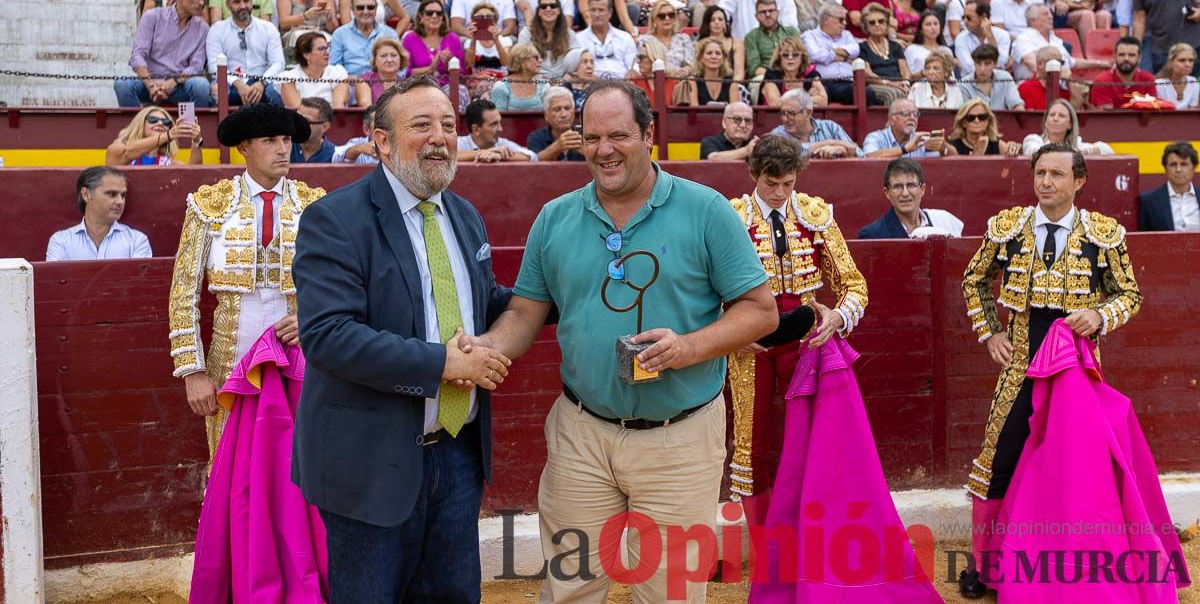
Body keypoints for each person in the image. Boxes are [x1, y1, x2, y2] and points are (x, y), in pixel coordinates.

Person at [470, 78, 778, 603]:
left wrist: (688, 347)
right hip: (582, 435)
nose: (604, 150)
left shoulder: (706, 210)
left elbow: (760, 310)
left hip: (680, 440)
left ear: (648, 135)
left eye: (618, 136)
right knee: (568, 590)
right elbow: (523, 313)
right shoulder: (555, 217)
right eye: (592, 138)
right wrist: (488, 347)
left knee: (670, 596)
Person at [291, 78, 513, 601]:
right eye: (422, 125)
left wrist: (558, 296)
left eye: (448, 126)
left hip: (457, 455)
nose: (440, 137)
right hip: (371, 461)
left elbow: (482, 302)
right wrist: (444, 365)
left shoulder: (464, 214)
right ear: (382, 141)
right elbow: (328, 335)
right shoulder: (335, 218)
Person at [727, 138, 924, 604]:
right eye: (771, 183)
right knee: (750, 450)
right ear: (754, 175)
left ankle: (810, 556)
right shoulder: (731, 218)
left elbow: (853, 284)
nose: (779, 193)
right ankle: (769, 568)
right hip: (748, 346)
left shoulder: (815, 215)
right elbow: (706, 287)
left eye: (788, 183)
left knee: (815, 447)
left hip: (806, 343)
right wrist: (727, 328)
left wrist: (837, 316)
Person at [958, 144, 1145, 598]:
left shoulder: (1103, 234)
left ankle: (1072, 559)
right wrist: (990, 333)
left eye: (1057, 174)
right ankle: (985, 565)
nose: (1045, 182)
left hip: (1076, 371)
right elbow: (973, 279)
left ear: (1079, 181)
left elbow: (1130, 295)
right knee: (998, 458)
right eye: (1040, 173)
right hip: (1020, 364)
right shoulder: (1008, 228)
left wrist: (1099, 315)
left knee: (1076, 464)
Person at [176, 104, 328, 599]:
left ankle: (300, 581)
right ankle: (240, 584)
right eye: (270, 141)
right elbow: (183, 293)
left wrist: (312, 319)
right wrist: (193, 370)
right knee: (231, 477)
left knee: (299, 469)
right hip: (230, 363)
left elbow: (340, 283)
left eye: (287, 140)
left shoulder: (315, 205)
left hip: (299, 360)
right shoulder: (209, 205)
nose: (283, 149)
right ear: (244, 148)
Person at [119, 0, 212, 108]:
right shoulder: (152, 17)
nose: (201, 2)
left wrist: (173, 82)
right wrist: (151, 85)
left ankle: (195, 121)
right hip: (150, 83)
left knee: (201, 85)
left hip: (180, 86)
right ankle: (138, 121)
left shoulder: (203, 28)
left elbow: (196, 66)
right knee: (122, 84)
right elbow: (137, 55)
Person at [205, 0, 286, 107]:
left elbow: (278, 63)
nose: (243, 6)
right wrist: (238, 84)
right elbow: (214, 66)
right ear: (227, 5)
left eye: (246, 1)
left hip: (262, 84)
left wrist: (261, 82)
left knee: (273, 93)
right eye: (237, 2)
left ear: (251, 2)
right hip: (231, 84)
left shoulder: (268, 28)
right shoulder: (217, 30)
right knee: (219, 92)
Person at [47, 167, 153, 261]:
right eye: (112, 194)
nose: (120, 201)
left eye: (123, 195)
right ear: (86, 194)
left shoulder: (137, 240)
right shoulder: (60, 241)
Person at [857, 159, 964, 239]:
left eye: (911, 185)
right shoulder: (872, 235)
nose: (905, 193)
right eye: (898, 186)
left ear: (922, 189)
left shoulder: (945, 221)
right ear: (887, 192)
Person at [771, 89, 863, 158]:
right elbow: (794, 152)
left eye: (791, 113)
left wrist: (842, 151)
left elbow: (860, 154)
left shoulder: (830, 127)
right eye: (783, 113)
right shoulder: (777, 134)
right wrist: (832, 142)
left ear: (808, 113)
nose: (785, 119)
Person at [330, 0, 401, 77]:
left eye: (370, 7)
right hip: (352, 82)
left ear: (376, 8)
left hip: (384, 82)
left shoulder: (390, 34)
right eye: (360, 8)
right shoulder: (340, 34)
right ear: (352, 9)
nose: (366, 12)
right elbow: (334, 68)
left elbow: (402, 66)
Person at [106, 105, 204, 167]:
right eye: (153, 120)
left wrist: (196, 141)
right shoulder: (118, 146)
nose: (160, 123)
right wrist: (168, 135)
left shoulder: (170, 164)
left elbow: (192, 175)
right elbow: (126, 153)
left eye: (166, 122)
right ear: (140, 123)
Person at [517, 0, 582, 80]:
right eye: (543, 6)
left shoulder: (569, 34)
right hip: (535, 80)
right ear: (539, 12)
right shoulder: (526, 33)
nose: (548, 9)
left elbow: (576, 60)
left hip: (563, 80)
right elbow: (520, 61)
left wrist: (568, 77)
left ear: (559, 11)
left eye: (553, 6)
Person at [1138, 141, 1200, 231]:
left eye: (1184, 164)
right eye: (1173, 164)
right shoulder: (1148, 201)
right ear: (1165, 168)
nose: (1178, 169)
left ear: (1194, 168)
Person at [863, 99, 957, 158]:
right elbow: (869, 157)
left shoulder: (921, 139)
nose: (912, 117)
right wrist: (906, 149)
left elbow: (955, 157)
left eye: (915, 114)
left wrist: (943, 147)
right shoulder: (876, 137)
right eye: (906, 113)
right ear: (891, 120)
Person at [1022, 99, 1115, 156]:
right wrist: (1073, 153)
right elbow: (1034, 152)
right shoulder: (1034, 140)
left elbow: (1107, 150)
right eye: (1052, 115)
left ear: (1070, 124)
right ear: (1045, 122)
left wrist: (1086, 151)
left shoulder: (1077, 144)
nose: (1055, 118)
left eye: (1061, 116)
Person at [576, 0, 638, 78]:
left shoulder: (625, 37)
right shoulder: (578, 39)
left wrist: (632, 72)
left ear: (610, 13)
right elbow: (575, 69)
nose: (597, 15)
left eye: (601, 10)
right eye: (593, 10)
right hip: (591, 83)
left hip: (622, 82)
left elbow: (633, 66)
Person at [457, 99, 537, 162]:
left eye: (499, 123)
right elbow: (450, 156)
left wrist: (501, 156)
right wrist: (483, 152)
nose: (500, 129)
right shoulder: (460, 143)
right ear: (476, 129)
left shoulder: (501, 143)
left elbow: (533, 156)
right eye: (494, 124)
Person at [1089, 36, 1156, 109]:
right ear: (1115, 56)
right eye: (1121, 54)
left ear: (1139, 58)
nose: (1126, 59)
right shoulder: (1102, 81)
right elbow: (1106, 114)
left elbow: (1151, 111)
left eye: (1131, 55)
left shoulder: (1148, 79)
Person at [527, 85, 585, 162]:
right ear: (546, 115)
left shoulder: (585, 135)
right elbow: (534, 162)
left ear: (574, 112)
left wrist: (586, 151)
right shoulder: (536, 137)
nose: (564, 114)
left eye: (567, 108)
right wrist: (557, 147)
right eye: (557, 109)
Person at [948, 98, 1022, 156]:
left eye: (982, 117)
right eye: (971, 118)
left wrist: (1013, 148)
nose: (977, 121)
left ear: (988, 121)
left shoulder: (997, 145)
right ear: (964, 122)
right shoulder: (953, 146)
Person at [962, 45, 1025, 111]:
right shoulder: (964, 84)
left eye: (987, 64)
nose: (982, 69)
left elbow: (1016, 105)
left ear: (995, 64)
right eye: (978, 63)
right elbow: (964, 113)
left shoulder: (1005, 77)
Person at [1155, 43, 1200, 109]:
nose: (1187, 64)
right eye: (1182, 60)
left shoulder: (1194, 82)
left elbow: (1193, 111)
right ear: (1170, 62)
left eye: (1191, 60)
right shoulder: (1159, 84)